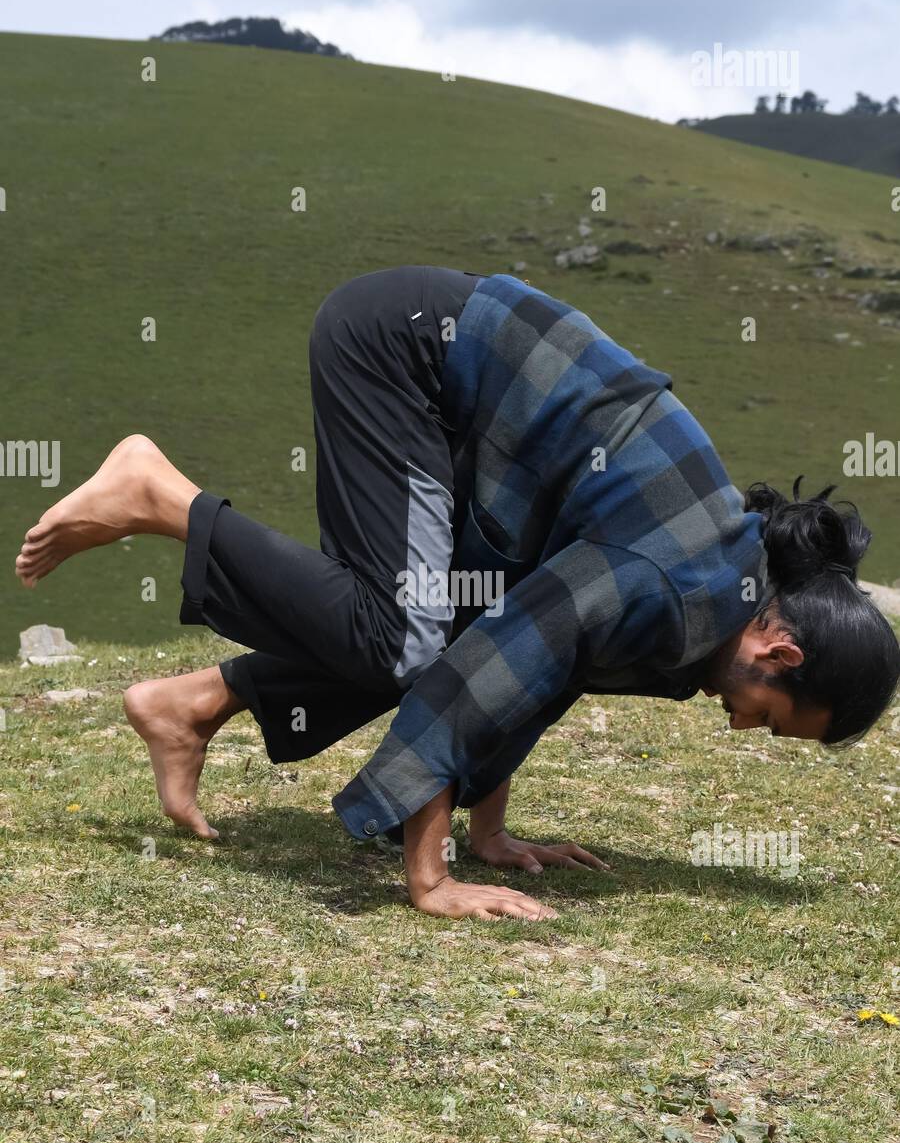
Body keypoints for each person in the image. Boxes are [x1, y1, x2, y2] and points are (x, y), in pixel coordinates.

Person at [15, 267, 900, 922]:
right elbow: (494, 666)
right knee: (405, 637)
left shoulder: (713, 591)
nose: (743, 728)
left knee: (436, 623)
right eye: (771, 718)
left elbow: (549, 666)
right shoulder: (675, 582)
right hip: (401, 353)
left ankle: (194, 703)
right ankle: (158, 496)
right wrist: (431, 878)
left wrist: (490, 833)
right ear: (778, 651)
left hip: (456, 399)